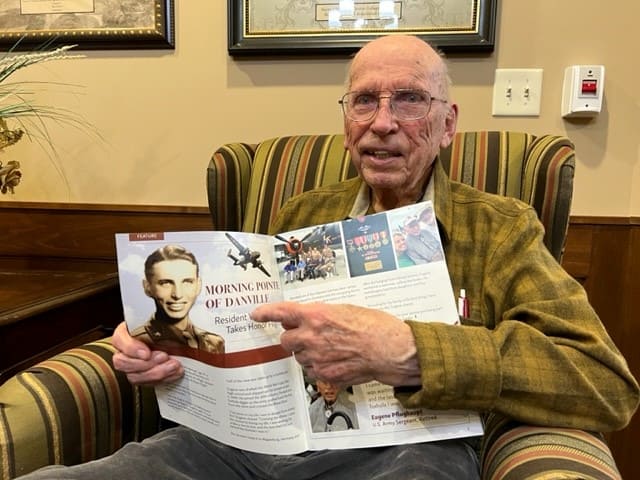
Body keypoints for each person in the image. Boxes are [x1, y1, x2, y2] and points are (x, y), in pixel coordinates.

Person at [18, 35, 638, 480]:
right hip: (248, 448)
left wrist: (411, 353)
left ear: (448, 124)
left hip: (409, 452)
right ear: (346, 120)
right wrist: (165, 347)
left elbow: (604, 382)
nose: (383, 123)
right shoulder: (297, 215)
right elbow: (243, 342)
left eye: (409, 100)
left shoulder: (499, 228)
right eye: (364, 101)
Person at [130, 244, 225, 354]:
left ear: (198, 285)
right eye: (166, 283)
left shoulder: (215, 343)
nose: (178, 294)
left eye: (187, 282)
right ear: (147, 287)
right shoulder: (138, 343)